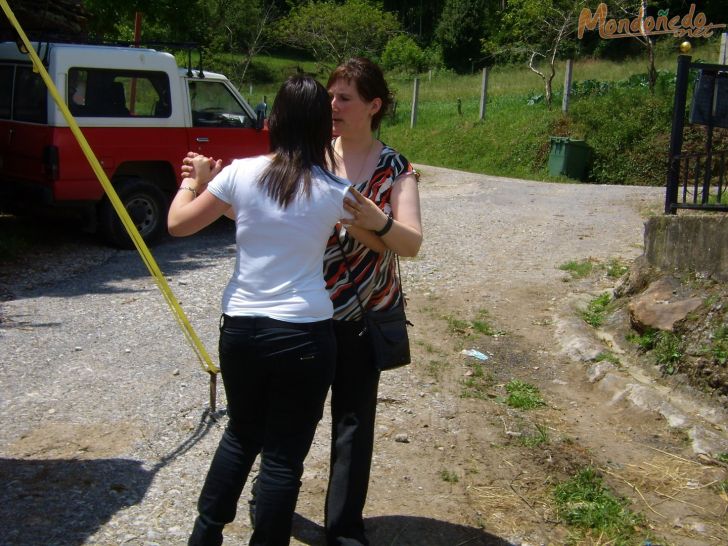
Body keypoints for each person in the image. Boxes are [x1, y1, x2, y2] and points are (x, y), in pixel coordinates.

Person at [169, 74, 356, 546]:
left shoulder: (240, 174)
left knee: (241, 433)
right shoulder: (336, 189)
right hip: (306, 334)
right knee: (283, 457)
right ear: (322, 128)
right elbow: (378, 233)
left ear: (272, 120)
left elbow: (178, 224)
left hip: (243, 330)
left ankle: (205, 533)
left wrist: (192, 184)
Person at [323, 57, 423, 546]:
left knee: (352, 426)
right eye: (331, 96)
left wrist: (370, 220)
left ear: (373, 105)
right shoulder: (315, 158)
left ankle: (343, 530)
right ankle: (270, 501)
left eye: (344, 97)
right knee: (291, 419)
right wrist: (371, 231)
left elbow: (411, 243)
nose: (333, 105)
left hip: (365, 315)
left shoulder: (395, 168)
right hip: (307, 311)